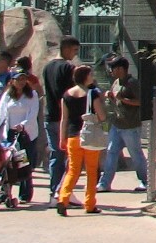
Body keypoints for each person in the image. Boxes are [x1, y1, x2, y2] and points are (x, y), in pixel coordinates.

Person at [56, 65, 107, 216]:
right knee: (91, 171)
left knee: (73, 170)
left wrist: (62, 138)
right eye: (90, 74)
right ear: (85, 77)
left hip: (73, 136)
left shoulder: (67, 95)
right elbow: (102, 116)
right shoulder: (92, 94)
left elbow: (64, 119)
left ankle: (63, 199)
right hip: (89, 136)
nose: (93, 77)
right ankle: (90, 204)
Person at [99, 55, 148, 193]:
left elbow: (141, 102)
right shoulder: (116, 82)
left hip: (131, 126)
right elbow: (116, 100)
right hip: (117, 124)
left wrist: (123, 99)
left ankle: (146, 182)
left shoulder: (132, 83)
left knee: (136, 155)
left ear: (121, 68)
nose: (111, 71)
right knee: (111, 152)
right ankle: (105, 183)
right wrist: (110, 96)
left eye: (113, 68)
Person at [0, 74, 41, 202]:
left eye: (23, 79)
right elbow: (1, 111)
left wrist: (23, 125)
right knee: (7, 162)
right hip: (10, 134)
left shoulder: (32, 95)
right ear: (12, 81)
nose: (21, 82)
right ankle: (5, 191)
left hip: (25, 135)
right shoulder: (8, 95)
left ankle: (25, 194)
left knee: (22, 163)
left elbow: (33, 113)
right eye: (18, 79)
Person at [42, 37, 80, 198]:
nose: (74, 54)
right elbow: (70, 94)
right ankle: (62, 191)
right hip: (65, 118)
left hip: (49, 116)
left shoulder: (47, 67)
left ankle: (54, 190)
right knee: (69, 156)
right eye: (74, 50)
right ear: (65, 48)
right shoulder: (68, 68)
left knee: (55, 154)